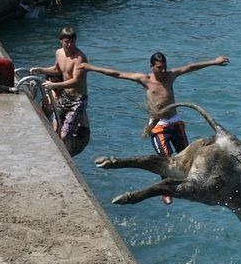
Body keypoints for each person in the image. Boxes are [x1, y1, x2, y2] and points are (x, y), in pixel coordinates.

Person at [80, 53, 230, 204]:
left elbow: (190, 67)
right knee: (165, 159)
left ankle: (201, 184)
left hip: (176, 124)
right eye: (159, 68)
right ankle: (165, 190)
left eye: (164, 67)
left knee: (187, 158)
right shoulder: (145, 80)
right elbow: (117, 74)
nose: (163, 70)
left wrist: (214, 62)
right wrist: (90, 68)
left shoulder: (171, 76)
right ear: (151, 67)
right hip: (159, 127)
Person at [29, 27, 90, 157]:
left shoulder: (80, 58)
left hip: (77, 99)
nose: (70, 45)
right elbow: (57, 70)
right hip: (65, 96)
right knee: (55, 129)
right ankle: (59, 153)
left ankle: (68, 157)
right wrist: (41, 70)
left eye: (72, 42)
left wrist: (54, 85)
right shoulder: (59, 53)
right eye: (67, 42)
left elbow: (76, 80)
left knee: (65, 134)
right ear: (60, 41)